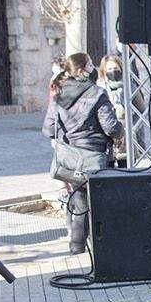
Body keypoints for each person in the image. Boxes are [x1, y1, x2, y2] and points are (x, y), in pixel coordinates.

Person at [40, 51, 125, 257]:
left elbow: (48, 129)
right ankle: (103, 249)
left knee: (80, 202)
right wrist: (120, 132)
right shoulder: (97, 93)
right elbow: (111, 127)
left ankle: (76, 246)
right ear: (81, 70)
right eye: (89, 64)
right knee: (101, 204)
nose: (93, 67)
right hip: (93, 157)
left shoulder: (58, 94)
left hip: (70, 159)